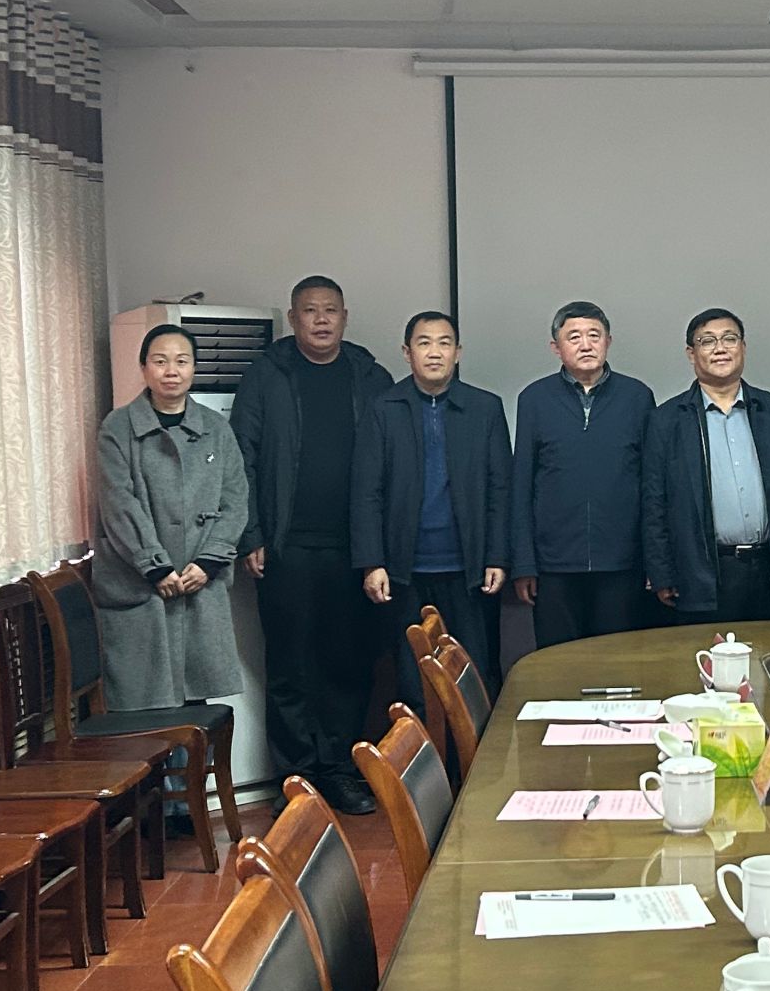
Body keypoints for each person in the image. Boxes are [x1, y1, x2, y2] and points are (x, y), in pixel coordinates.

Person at [231, 276, 394, 816]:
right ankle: (296, 779)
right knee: (290, 667)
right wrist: (251, 534)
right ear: (292, 318)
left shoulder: (370, 377)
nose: (321, 320)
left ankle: (340, 771)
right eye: (309, 311)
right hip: (285, 547)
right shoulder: (265, 375)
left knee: (348, 664)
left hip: (355, 550)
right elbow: (242, 458)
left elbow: (391, 462)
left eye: (330, 311)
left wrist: (379, 549)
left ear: (345, 317)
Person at [91, 325, 250, 719]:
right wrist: (154, 565)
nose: (171, 371)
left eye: (182, 361)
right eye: (160, 361)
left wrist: (210, 561)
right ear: (144, 367)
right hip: (140, 584)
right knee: (144, 707)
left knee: (197, 705)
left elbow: (235, 500)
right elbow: (118, 501)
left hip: (200, 583)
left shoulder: (216, 428)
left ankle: (194, 765)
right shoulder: (118, 427)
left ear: (194, 368)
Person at [352, 311, 511, 698]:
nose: (435, 352)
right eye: (424, 343)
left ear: (458, 352)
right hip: (405, 571)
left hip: (470, 571)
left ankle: (474, 744)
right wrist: (372, 562)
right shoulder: (384, 408)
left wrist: (498, 557)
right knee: (413, 682)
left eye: (444, 343)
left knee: (474, 680)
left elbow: (500, 488)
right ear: (407, 353)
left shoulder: (485, 408)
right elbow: (366, 491)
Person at [642, 308, 770, 628]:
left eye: (729, 338)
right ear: (691, 354)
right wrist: (661, 572)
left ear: (743, 347)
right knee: (707, 658)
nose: (720, 348)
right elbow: (654, 503)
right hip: (702, 571)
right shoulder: (667, 420)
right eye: (707, 341)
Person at [511, 301, 656, 647]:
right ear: (556, 347)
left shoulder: (637, 397)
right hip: (554, 565)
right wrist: (524, 564)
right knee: (558, 662)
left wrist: (655, 562)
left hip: (622, 562)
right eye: (574, 337)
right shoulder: (534, 399)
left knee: (618, 661)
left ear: (609, 341)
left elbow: (652, 485)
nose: (586, 345)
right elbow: (521, 486)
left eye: (594, 335)